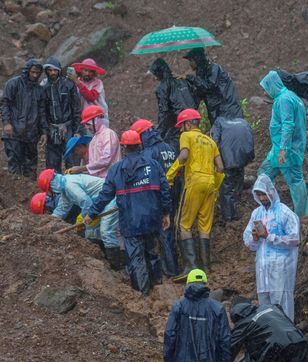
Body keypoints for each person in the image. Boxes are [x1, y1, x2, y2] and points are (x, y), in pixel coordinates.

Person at [83, 130, 172, 296]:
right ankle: (157, 288)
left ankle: (143, 295)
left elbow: (104, 196)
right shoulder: (153, 165)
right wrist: (166, 212)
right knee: (152, 253)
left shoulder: (116, 170)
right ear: (139, 145)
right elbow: (165, 190)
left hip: (131, 222)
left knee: (136, 258)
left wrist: (92, 214)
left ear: (123, 148)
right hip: (152, 219)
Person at [166, 109, 224, 274]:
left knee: (184, 225)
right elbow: (220, 167)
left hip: (195, 182)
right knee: (204, 228)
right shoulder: (210, 141)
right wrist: (215, 187)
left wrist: (169, 176)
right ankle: (206, 268)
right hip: (211, 183)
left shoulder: (187, 136)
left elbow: (183, 157)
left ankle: (190, 267)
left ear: (188, 123)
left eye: (181, 126)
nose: (180, 129)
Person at [163, 269, 231, 362]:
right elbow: (225, 339)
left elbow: (170, 336)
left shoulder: (179, 307)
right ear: (205, 284)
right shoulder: (217, 308)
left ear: (187, 284)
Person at [35, 169, 120, 269]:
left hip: (109, 198)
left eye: (50, 189)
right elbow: (61, 209)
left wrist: (83, 218)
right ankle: (103, 260)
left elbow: (86, 202)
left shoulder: (69, 185)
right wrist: (48, 223)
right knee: (91, 232)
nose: (51, 192)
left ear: (52, 184)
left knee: (106, 230)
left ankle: (116, 265)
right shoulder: (65, 188)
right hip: (98, 203)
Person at [230, 297, 308, 362]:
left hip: (274, 347)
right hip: (298, 340)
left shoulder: (243, 324)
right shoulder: (271, 307)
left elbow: (230, 348)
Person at [243, 174, 300, 321]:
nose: (262, 198)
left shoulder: (285, 213)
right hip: (262, 273)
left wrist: (269, 237)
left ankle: (288, 340)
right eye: (259, 195)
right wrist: (254, 238)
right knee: (266, 312)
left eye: (264, 194)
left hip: (281, 270)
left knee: (283, 309)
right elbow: (247, 239)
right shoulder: (256, 213)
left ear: (271, 192)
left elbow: (295, 238)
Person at [130, 119, 178, 277]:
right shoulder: (169, 148)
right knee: (171, 230)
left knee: (162, 233)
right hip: (175, 192)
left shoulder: (149, 152)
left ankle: (167, 271)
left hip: (158, 196)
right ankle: (174, 267)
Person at [258, 70, 308, 217]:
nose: (264, 93)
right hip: (279, 149)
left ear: (273, 85)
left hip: (287, 151)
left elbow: (288, 124)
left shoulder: (284, 100)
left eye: (266, 88)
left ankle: (302, 216)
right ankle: (273, 210)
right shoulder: (290, 97)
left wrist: (284, 150)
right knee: (264, 174)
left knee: (295, 181)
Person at [0, 59, 47, 179]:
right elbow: (5, 103)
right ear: (27, 71)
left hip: (32, 132)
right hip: (14, 130)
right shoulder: (13, 84)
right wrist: (6, 123)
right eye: (33, 72)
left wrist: (44, 132)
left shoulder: (39, 90)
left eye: (37, 73)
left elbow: (42, 112)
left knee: (31, 164)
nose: (35, 75)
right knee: (14, 161)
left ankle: (29, 191)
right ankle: (14, 190)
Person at [182, 48, 243, 125]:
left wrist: (190, 78)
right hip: (217, 113)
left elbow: (209, 86)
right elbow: (199, 93)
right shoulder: (201, 74)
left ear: (197, 60)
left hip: (228, 111)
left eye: (191, 60)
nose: (190, 64)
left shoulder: (214, 68)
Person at [148, 58, 198, 150]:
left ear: (159, 72)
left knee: (175, 149)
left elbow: (164, 112)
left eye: (155, 74)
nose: (155, 78)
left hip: (179, 125)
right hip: (194, 121)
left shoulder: (163, 87)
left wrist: (158, 134)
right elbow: (195, 97)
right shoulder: (183, 80)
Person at [211, 116, 254, 221]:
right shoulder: (243, 122)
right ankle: (236, 213)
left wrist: (215, 162)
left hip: (227, 160)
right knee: (237, 185)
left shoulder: (219, 122)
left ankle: (228, 218)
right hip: (242, 159)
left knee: (226, 189)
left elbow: (214, 142)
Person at [42, 56, 81, 172]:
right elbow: (42, 111)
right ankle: (55, 189)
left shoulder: (68, 84)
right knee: (52, 164)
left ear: (59, 70)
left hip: (68, 128)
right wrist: (44, 131)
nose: (52, 73)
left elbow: (76, 108)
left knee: (72, 162)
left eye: (55, 70)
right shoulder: (44, 87)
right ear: (46, 71)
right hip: (52, 129)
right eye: (50, 70)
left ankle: (73, 187)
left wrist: (77, 130)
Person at [66, 105, 121, 178]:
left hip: (111, 179)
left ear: (96, 120)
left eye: (88, 124)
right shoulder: (94, 139)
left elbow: (106, 160)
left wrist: (81, 168)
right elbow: (94, 166)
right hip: (99, 181)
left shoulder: (108, 134)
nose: (87, 127)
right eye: (86, 125)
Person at [68, 58, 109, 126]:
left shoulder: (98, 83)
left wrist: (77, 82)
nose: (88, 73)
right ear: (81, 71)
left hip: (97, 117)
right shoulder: (76, 81)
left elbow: (91, 97)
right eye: (86, 70)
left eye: (91, 71)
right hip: (82, 118)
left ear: (94, 73)